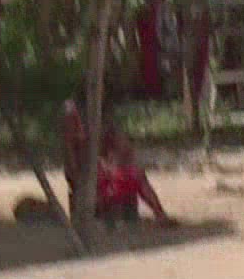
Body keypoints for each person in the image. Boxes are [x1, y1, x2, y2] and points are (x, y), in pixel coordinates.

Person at [61, 96, 177, 227]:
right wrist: (77, 175)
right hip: (86, 171)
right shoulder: (72, 111)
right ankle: (103, 216)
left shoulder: (103, 114)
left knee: (136, 174)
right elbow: (70, 152)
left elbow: (122, 144)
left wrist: (116, 158)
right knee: (105, 180)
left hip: (104, 167)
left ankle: (159, 214)